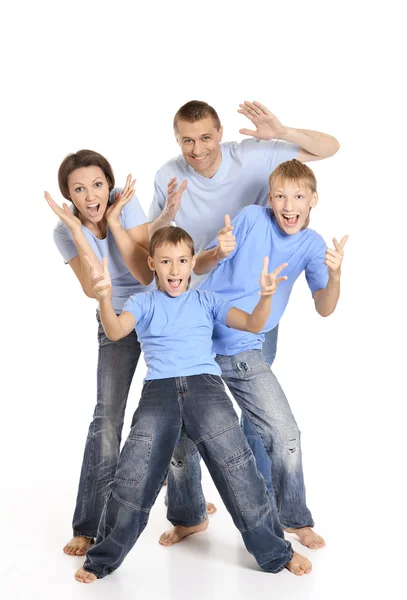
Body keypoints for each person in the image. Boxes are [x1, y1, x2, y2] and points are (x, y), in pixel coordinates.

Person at [74, 226, 313, 583]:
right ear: (152, 263)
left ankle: (277, 552)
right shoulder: (142, 302)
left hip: (206, 389)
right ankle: (102, 560)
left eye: (183, 261)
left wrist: (265, 297)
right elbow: (116, 331)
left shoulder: (207, 299)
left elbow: (251, 323)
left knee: (239, 470)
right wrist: (104, 298)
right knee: (132, 476)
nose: (175, 270)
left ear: (191, 263)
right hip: (159, 393)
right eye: (166, 262)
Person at [161, 159, 347, 550]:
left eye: (298, 196)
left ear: (314, 199)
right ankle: (189, 516)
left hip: (246, 347)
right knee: (177, 437)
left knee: (285, 433)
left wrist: (335, 276)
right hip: (198, 341)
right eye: (280, 195)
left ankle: (293, 516)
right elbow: (198, 265)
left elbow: (325, 308)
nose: (288, 204)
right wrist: (218, 250)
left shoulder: (312, 246)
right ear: (270, 197)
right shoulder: (249, 218)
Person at [148, 99, 340, 367]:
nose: (198, 149)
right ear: (177, 140)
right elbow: (152, 241)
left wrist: (282, 132)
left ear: (220, 133)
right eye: (187, 141)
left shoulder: (251, 157)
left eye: (206, 137)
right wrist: (167, 215)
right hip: (203, 295)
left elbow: (330, 147)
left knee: (255, 396)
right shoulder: (168, 175)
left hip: (258, 303)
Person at [46, 149, 153, 557]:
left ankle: (186, 505)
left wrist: (112, 220)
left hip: (159, 312)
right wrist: (78, 230)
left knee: (178, 407)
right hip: (114, 319)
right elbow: (94, 289)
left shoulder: (125, 201)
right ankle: (88, 524)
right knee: (107, 417)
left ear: (110, 184)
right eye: (79, 190)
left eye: (97, 185)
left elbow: (146, 273)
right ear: (69, 197)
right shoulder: (63, 231)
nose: (91, 196)